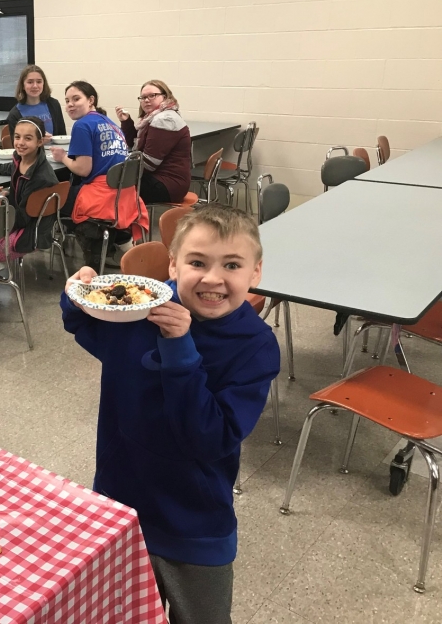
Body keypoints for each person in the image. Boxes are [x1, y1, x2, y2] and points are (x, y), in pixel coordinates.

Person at [61, 205, 280, 624]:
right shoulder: (140, 309)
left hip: (193, 521)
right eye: (197, 262)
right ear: (174, 265)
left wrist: (180, 349)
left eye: (231, 265)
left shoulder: (255, 347)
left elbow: (210, 437)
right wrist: (76, 298)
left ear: (255, 273)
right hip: (119, 500)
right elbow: (95, 334)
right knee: (115, 613)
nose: (213, 278)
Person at [0, 116, 58, 326]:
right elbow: (11, 170)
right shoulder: (21, 158)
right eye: (17, 137)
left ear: (40, 142)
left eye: (28, 138)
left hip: (29, 233)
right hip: (18, 222)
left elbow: (23, 218)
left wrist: (0, 204)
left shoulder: (41, 177)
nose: (20, 143)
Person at [51, 80, 147, 267]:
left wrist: (62, 157)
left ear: (91, 100)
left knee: (54, 198)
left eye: (76, 99)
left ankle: (97, 249)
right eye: (67, 100)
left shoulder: (82, 125)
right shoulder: (110, 123)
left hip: (100, 199)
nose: (70, 104)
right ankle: (121, 239)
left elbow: (83, 169)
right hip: (124, 196)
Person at [116, 80, 192, 205]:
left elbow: (149, 164)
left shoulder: (164, 119)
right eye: (143, 97)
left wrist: (118, 166)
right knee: (112, 182)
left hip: (167, 184)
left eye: (152, 96)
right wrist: (126, 122)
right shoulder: (153, 118)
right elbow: (132, 144)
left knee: (111, 186)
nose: (146, 100)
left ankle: (125, 223)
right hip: (164, 179)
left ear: (165, 96)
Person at [6, 65, 67, 144]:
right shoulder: (14, 114)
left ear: (43, 84)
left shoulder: (53, 104)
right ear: (23, 85)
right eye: (30, 82)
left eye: (39, 82)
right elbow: (18, 146)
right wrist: (38, 142)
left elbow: (62, 136)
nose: (35, 86)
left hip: (55, 153)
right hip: (32, 155)